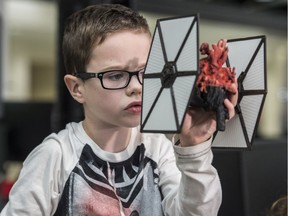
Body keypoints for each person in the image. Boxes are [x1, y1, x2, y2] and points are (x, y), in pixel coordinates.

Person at [0, 4, 238, 216]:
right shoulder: (55, 156)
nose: (136, 87)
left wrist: (194, 146)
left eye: (145, 73)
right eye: (115, 75)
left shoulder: (158, 148)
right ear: (76, 88)